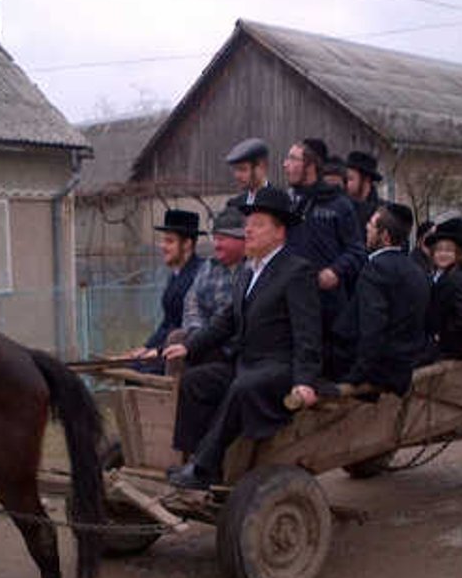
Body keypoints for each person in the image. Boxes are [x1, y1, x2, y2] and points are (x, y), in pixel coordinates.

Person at [163, 187, 322, 490]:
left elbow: (308, 333)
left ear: (279, 231)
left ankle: (203, 468)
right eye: (247, 223)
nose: (248, 229)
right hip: (245, 363)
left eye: (258, 223)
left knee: (241, 387)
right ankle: (194, 460)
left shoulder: (296, 271)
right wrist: (188, 345)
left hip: (279, 368)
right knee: (196, 381)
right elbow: (226, 321)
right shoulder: (249, 271)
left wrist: (306, 380)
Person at [282, 138, 367, 367]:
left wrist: (335, 271)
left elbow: (357, 251)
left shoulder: (338, 204)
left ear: (309, 166)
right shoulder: (286, 203)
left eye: (292, 159)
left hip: (326, 304)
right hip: (289, 300)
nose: (285, 164)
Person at [330, 202, 430, 394]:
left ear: (384, 236)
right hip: (405, 364)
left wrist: (356, 375)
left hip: (381, 371)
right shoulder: (416, 269)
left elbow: (373, 326)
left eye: (372, 224)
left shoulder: (376, 269)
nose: (366, 227)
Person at [125, 209, 204, 371]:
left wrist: (157, 351)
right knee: (133, 366)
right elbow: (168, 322)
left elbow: (188, 326)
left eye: (169, 241)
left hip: (186, 353)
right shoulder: (175, 275)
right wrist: (146, 347)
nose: (163, 246)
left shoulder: (200, 275)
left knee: (143, 370)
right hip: (168, 348)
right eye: (163, 241)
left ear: (187, 244)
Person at [176, 206, 248, 352]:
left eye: (222, 239)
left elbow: (232, 319)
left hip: (233, 346)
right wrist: (196, 331)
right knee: (177, 338)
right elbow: (192, 303)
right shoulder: (208, 266)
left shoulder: (252, 269)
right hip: (202, 339)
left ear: (242, 240)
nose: (216, 245)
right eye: (214, 239)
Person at [424, 218, 462, 361]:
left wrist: (443, 333)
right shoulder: (438, 275)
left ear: (456, 254)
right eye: (439, 250)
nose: (443, 254)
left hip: (454, 346)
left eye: (448, 250)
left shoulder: (457, 279)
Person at [345, 151, 384, 238]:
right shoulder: (342, 209)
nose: (346, 184)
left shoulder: (383, 214)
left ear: (366, 180)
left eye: (350, 179)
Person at [224, 137, 272, 208]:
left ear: (262, 167)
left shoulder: (279, 204)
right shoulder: (234, 206)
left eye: (243, 169)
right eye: (235, 169)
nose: (237, 175)